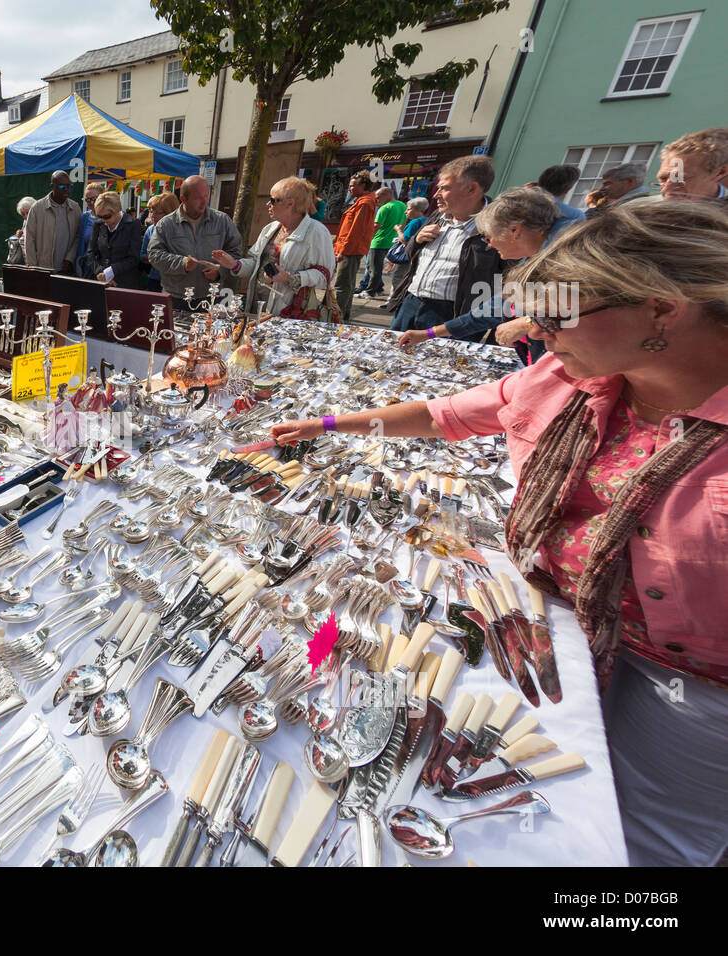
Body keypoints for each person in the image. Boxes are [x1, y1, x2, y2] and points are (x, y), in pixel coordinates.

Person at [271, 199, 728, 867]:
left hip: (697, 687)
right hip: (551, 621)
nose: (536, 332)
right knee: (544, 812)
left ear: (661, 310)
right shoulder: (569, 378)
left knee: (646, 842)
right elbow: (445, 414)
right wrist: (329, 426)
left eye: (557, 315)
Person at [397, 186, 574, 357]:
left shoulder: (566, 261)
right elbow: (489, 311)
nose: (489, 244)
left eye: (488, 236)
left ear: (514, 231)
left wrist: (527, 323)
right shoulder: (530, 262)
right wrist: (427, 333)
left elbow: (576, 313)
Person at [387, 155, 500, 338]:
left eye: (444, 188)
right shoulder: (438, 216)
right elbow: (408, 254)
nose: (435, 195)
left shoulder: (497, 227)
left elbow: (510, 283)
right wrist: (416, 241)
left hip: (452, 316)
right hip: (410, 303)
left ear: (471, 189)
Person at [209, 176, 334, 316]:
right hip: (260, 307)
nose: (268, 204)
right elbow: (257, 265)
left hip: (293, 314)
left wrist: (289, 277)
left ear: (290, 203)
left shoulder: (317, 232)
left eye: (273, 200)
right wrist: (235, 265)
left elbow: (324, 277)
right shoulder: (271, 228)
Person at [146, 174, 243, 310]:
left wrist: (220, 271)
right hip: (177, 298)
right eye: (197, 198)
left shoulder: (222, 221)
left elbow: (235, 253)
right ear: (183, 199)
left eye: (206, 196)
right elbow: (154, 254)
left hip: (212, 297)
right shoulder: (166, 224)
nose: (204, 202)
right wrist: (182, 264)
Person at [330, 171, 376, 323]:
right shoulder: (362, 201)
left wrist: (342, 251)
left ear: (363, 185)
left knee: (342, 285)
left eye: (352, 185)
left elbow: (355, 231)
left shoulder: (364, 203)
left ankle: (338, 317)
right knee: (346, 284)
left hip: (350, 250)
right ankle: (343, 315)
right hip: (351, 249)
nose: (349, 188)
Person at [24, 170, 81, 273]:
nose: (66, 190)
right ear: (52, 186)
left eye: (69, 186)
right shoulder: (37, 208)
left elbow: (78, 236)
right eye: (62, 187)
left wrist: (69, 258)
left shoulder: (75, 208)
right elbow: (29, 238)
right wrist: (33, 267)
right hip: (43, 269)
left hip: (67, 270)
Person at [354, 187, 405, 299]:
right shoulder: (402, 205)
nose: (377, 201)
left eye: (378, 198)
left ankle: (370, 292)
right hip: (392, 241)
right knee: (377, 267)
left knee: (373, 268)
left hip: (378, 242)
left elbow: (376, 226)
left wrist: (366, 239)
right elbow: (404, 222)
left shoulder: (385, 208)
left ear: (386, 195)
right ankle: (379, 288)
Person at [656, 127, 728, 202]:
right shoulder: (648, 210)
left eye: (680, 178)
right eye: (663, 178)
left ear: (720, 172)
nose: (666, 189)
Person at [88, 191, 142, 288]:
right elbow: (91, 253)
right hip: (101, 282)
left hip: (125, 284)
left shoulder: (133, 224)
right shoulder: (98, 224)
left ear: (118, 209)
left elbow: (134, 258)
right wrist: (101, 273)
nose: (104, 220)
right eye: (100, 216)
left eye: (107, 216)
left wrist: (110, 271)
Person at [140, 191, 179, 292]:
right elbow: (142, 255)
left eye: (157, 212)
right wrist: (154, 257)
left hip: (176, 282)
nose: (152, 215)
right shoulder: (150, 230)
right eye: (151, 211)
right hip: (155, 279)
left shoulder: (180, 230)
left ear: (170, 212)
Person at [76, 182, 102, 278]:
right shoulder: (84, 217)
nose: (91, 202)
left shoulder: (109, 217)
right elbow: (80, 243)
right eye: (87, 199)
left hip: (103, 268)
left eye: (94, 199)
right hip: (86, 268)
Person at [7, 196, 34, 264]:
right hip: (27, 262)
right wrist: (19, 235)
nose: (25, 216)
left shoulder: (40, 222)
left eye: (28, 213)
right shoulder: (25, 222)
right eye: (23, 214)